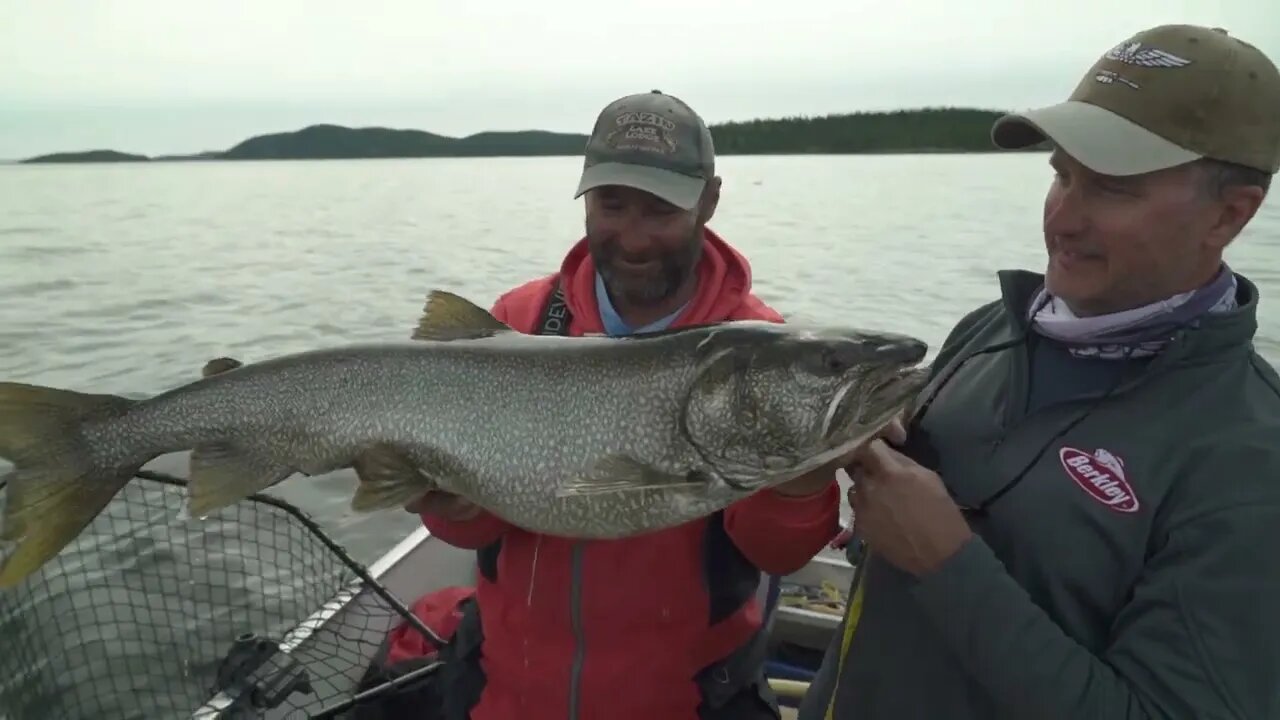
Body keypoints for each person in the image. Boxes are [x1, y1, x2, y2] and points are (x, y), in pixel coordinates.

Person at [798, 23, 1280, 720]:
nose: (1063, 217)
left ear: (1230, 215)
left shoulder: (1248, 458)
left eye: (1111, 188)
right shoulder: (987, 332)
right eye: (1061, 173)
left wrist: (947, 563)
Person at [405, 90, 849, 720]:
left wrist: (802, 485)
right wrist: (451, 503)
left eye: (660, 209)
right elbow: (469, 529)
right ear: (586, 196)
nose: (634, 239)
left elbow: (776, 555)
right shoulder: (522, 322)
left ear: (708, 201)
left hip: (685, 701)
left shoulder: (760, 351)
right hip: (509, 693)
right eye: (612, 206)